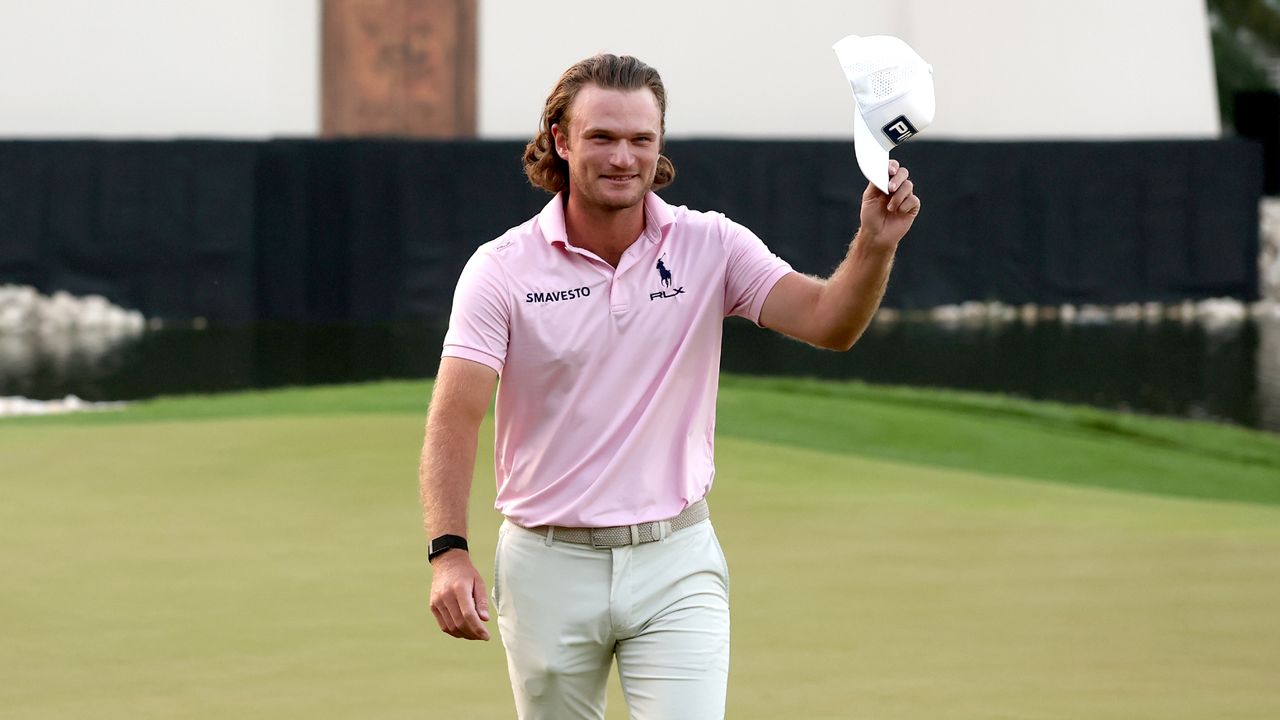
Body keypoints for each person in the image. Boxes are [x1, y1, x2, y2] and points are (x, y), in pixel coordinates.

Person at [419, 53, 920, 719]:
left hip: (675, 560)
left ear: (659, 147)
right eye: (602, 137)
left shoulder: (709, 244)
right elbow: (455, 417)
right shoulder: (501, 270)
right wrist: (448, 553)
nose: (623, 157)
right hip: (546, 565)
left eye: (641, 140)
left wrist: (875, 243)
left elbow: (828, 322)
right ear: (562, 141)